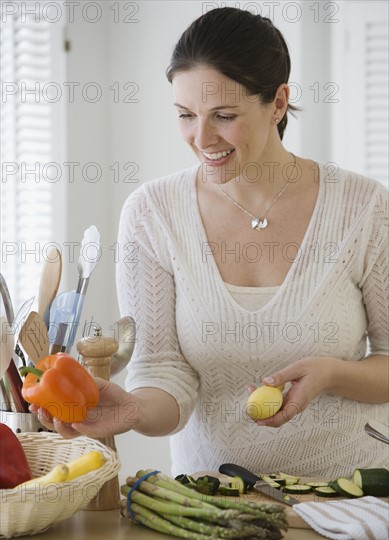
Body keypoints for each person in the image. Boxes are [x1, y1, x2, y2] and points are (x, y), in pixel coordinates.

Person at [33, 7, 388, 478]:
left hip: (353, 491)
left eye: (224, 116)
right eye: (185, 115)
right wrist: (134, 410)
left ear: (278, 103)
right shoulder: (153, 214)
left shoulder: (363, 206)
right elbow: (165, 373)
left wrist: (332, 374)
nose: (202, 139)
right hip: (212, 499)